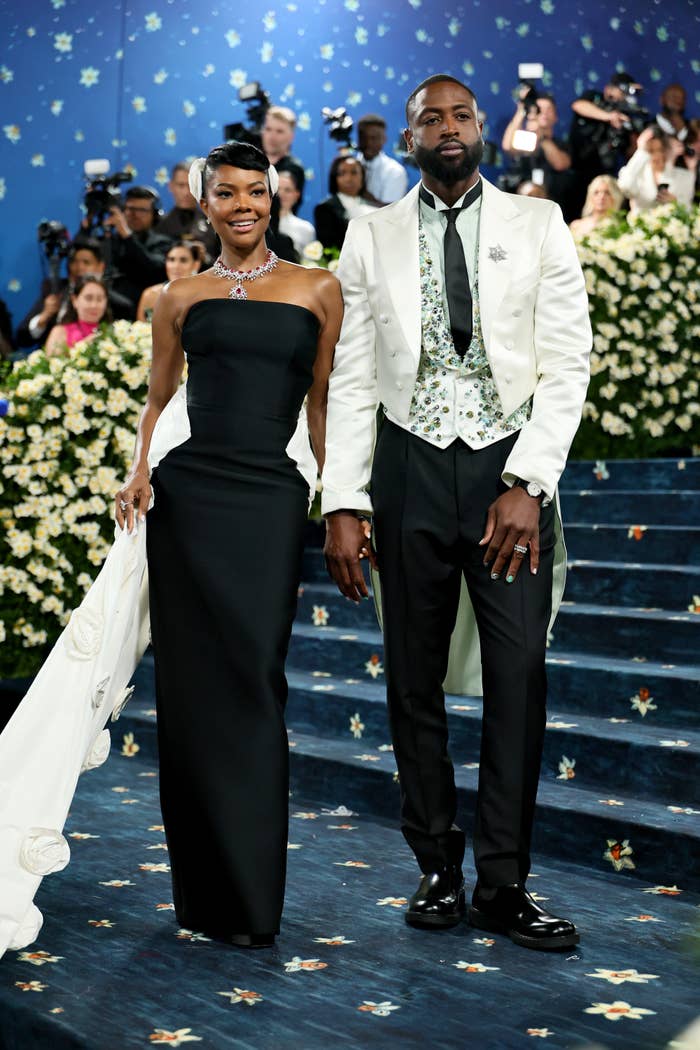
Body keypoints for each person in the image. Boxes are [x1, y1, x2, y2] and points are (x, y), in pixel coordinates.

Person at [322, 74, 591, 950]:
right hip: (406, 465)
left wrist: (531, 483)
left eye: (460, 114)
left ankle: (505, 882)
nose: (446, 127)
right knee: (411, 676)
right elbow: (354, 377)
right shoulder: (368, 236)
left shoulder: (537, 222)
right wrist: (346, 501)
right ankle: (437, 865)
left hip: (507, 472)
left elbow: (568, 361)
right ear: (407, 139)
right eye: (428, 118)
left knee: (519, 679)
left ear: (481, 128)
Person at [114, 141, 342, 947]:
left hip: (271, 497)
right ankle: (204, 899)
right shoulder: (177, 295)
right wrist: (141, 471)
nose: (243, 204)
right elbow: (158, 398)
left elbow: (321, 406)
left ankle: (251, 902)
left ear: (274, 198)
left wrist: (338, 498)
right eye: (226, 193)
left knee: (252, 681)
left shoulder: (318, 287)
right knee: (190, 695)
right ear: (203, 203)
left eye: (257, 190)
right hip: (188, 498)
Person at [15, 238, 132, 348]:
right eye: (74, 262)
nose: (79, 267)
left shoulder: (120, 305)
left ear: (101, 267)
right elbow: (22, 339)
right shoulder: (54, 291)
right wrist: (44, 317)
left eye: (86, 262)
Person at [569, 72, 644, 215]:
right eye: (621, 91)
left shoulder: (626, 115)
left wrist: (633, 133)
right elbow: (578, 105)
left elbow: (630, 153)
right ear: (608, 89)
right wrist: (609, 117)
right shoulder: (593, 98)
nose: (622, 96)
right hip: (578, 171)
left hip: (605, 175)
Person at [501, 92, 576, 221]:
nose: (544, 113)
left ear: (556, 116)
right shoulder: (525, 139)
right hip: (521, 209)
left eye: (549, 109)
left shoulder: (561, 144)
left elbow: (561, 164)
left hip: (553, 208)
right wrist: (521, 111)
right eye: (540, 110)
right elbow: (508, 147)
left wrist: (542, 137)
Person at [105, 186, 173, 312]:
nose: (135, 215)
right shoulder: (109, 240)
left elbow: (153, 270)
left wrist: (126, 235)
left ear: (154, 215)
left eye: (142, 210)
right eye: (130, 209)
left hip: (141, 309)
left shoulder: (163, 242)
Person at [617, 124, 695, 213]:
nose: (656, 156)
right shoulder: (636, 174)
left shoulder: (685, 176)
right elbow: (625, 187)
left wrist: (675, 203)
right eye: (650, 151)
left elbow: (690, 211)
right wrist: (641, 150)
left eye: (660, 150)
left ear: (667, 149)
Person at [156, 162, 219, 263]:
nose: (186, 192)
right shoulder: (159, 225)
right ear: (171, 186)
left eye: (192, 186)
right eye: (181, 185)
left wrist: (205, 259)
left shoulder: (215, 224)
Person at [314, 155, 376, 251]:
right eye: (342, 173)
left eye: (354, 173)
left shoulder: (373, 207)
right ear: (335, 178)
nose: (348, 178)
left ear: (363, 177)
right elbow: (328, 247)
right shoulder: (325, 208)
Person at [43, 274, 112, 356]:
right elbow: (52, 363)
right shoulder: (60, 332)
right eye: (88, 298)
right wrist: (83, 347)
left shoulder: (114, 332)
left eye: (100, 299)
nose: (94, 305)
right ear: (75, 300)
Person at [136, 241, 204, 321]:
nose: (176, 266)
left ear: (196, 265)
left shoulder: (203, 297)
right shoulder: (150, 294)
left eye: (183, 260)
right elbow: (140, 328)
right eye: (171, 260)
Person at [357, 113, 409, 205]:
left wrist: (359, 191)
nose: (368, 143)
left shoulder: (395, 171)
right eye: (363, 138)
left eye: (374, 138)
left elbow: (391, 213)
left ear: (384, 139)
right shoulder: (351, 166)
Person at [262, 105, 306, 206]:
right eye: (268, 129)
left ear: (291, 136)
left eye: (279, 131)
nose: (272, 137)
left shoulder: (294, 168)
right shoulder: (252, 162)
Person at [277, 170, 316, 256]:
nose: (281, 194)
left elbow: (308, 263)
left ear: (297, 195)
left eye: (287, 190)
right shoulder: (259, 225)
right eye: (277, 189)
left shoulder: (306, 228)